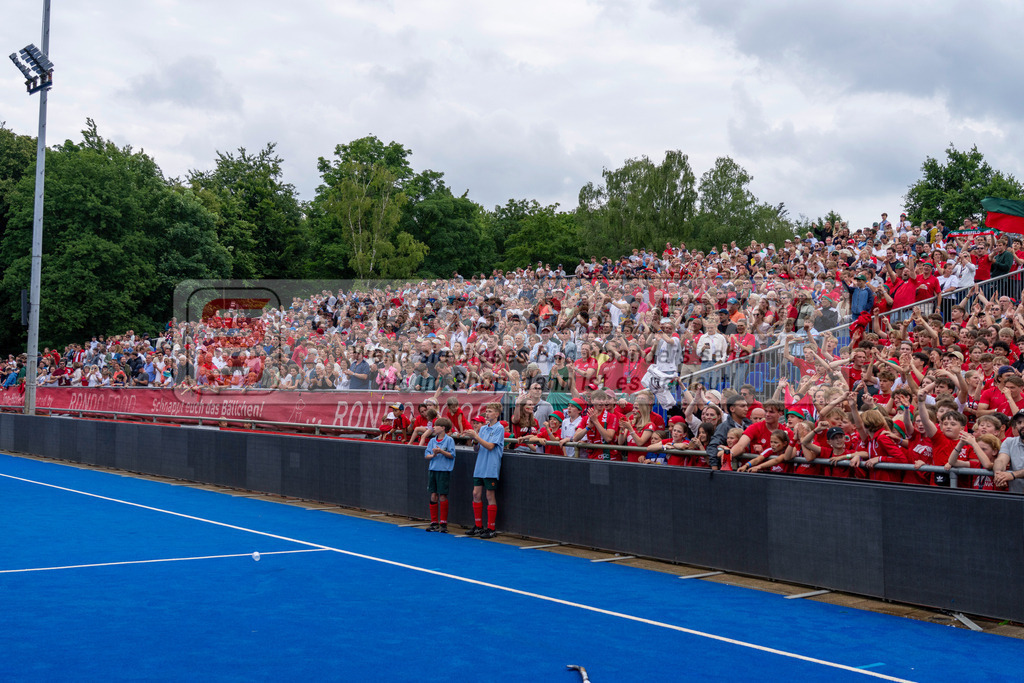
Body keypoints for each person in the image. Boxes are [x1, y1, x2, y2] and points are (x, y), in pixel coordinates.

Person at [464, 402, 505, 538]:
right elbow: (477, 449)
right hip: (480, 465)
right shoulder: (483, 429)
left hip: (491, 466)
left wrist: (476, 437)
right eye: (486, 411)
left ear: (497, 414)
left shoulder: (499, 428)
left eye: (490, 411)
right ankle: (478, 526)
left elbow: (490, 446)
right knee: (476, 494)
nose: (487, 413)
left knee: (489, 495)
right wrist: (474, 439)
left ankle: (491, 528)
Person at [424, 417, 456, 533]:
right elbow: (426, 455)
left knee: (442, 495)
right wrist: (433, 455)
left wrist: (441, 451)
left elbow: (452, 455)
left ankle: (443, 523)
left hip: (443, 471)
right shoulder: (432, 441)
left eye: (436, 426)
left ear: (443, 428)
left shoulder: (449, 440)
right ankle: (434, 522)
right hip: (433, 470)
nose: (434, 427)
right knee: (433, 494)